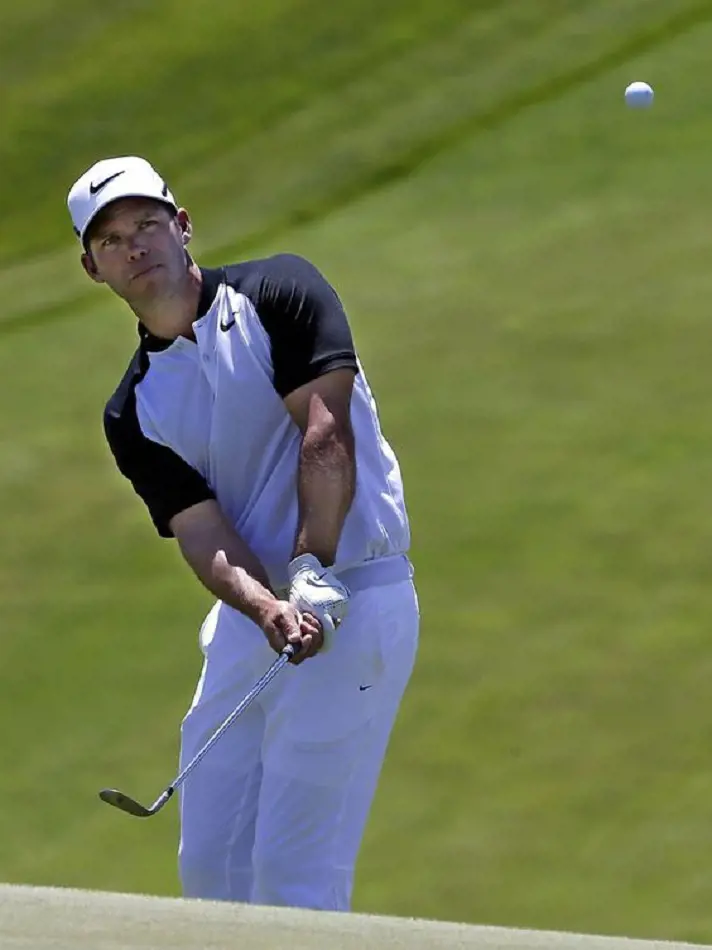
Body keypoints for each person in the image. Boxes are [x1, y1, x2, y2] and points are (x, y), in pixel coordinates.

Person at [66, 155, 420, 911]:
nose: (135, 246)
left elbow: (324, 433)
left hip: (353, 593)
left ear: (182, 226)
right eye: (111, 239)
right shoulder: (133, 411)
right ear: (92, 266)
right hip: (255, 621)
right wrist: (266, 607)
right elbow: (203, 533)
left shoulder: (279, 292)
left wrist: (310, 567)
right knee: (213, 879)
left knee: (295, 879)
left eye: (148, 225)